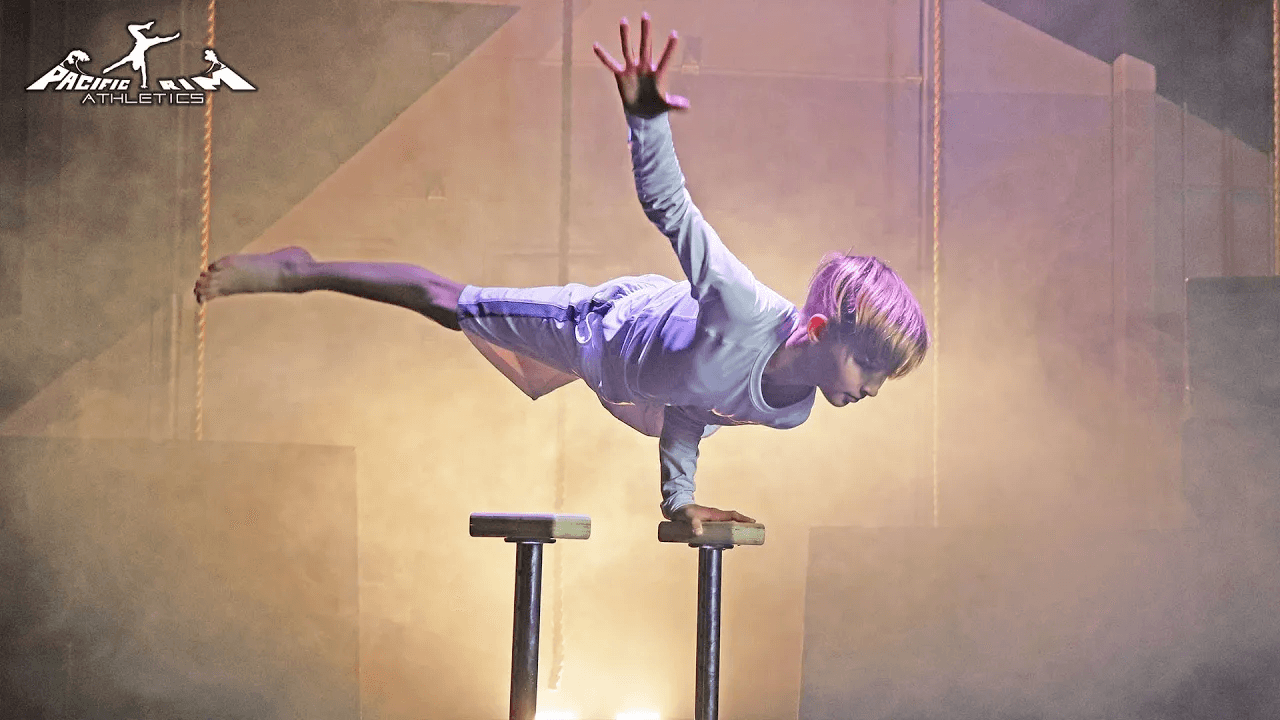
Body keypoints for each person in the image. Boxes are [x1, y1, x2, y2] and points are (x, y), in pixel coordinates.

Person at [194, 13, 930, 535]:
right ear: (819, 327)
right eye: (867, 366)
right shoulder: (741, 306)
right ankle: (300, 272)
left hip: (634, 385)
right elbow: (670, 208)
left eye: (880, 379)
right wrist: (647, 120)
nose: (869, 390)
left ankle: (316, 277)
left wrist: (679, 502)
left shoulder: (793, 410)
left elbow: (693, 408)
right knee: (448, 303)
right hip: (602, 331)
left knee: (541, 364)